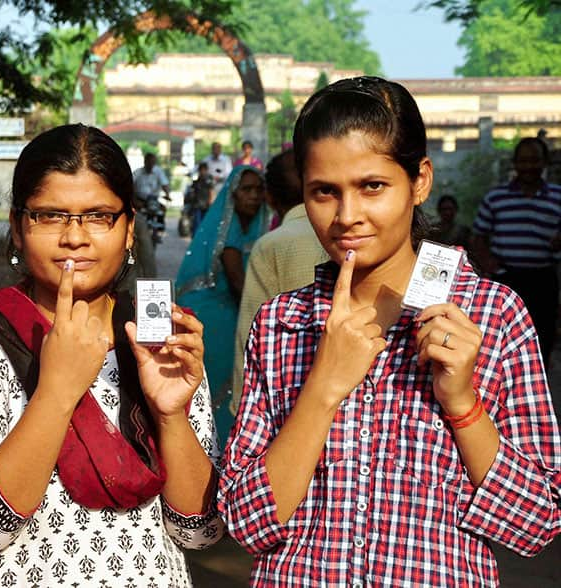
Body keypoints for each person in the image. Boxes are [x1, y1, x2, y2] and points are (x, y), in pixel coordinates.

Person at [220, 76, 561, 586]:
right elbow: (246, 526)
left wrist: (463, 404)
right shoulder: (282, 324)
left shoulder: (493, 317)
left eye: (372, 186)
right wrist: (322, 389)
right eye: (324, 192)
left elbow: (533, 525)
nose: (347, 216)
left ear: (419, 181)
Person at [0, 124, 224, 587]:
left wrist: (172, 414)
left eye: (98, 216)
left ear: (128, 229)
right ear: (18, 227)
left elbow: (199, 533)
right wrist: (56, 392)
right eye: (51, 215)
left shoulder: (158, 335)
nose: (75, 237)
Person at [229, 149, 328, 415]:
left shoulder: (271, 245)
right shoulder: (346, 234)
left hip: (285, 398)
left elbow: (250, 334)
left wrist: (241, 406)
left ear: (270, 198)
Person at [176, 165, 270, 434]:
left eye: (259, 190)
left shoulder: (246, 230)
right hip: (218, 316)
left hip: (226, 311)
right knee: (224, 384)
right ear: (233, 194)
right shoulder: (230, 236)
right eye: (247, 190)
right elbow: (239, 284)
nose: (254, 196)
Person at [471, 137, 561, 364]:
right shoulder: (496, 197)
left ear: (545, 162)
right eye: (523, 161)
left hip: (544, 279)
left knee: (543, 337)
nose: (529, 166)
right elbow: (477, 237)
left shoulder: (558, 197)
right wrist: (489, 265)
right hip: (507, 279)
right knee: (503, 336)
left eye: (535, 160)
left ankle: (538, 386)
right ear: (515, 163)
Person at [131, 152, 169, 276]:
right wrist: (135, 201)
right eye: (149, 162)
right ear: (145, 161)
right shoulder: (137, 173)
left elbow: (165, 185)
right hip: (141, 202)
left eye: (153, 162)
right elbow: (131, 186)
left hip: (153, 201)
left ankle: (160, 228)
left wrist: (168, 194)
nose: (151, 164)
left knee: (162, 210)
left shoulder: (158, 172)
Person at [186, 161, 215, 236]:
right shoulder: (197, 181)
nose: (202, 172)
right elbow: (192, 192)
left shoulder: (209, 180)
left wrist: (210, 202)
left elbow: (211, 191)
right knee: (197, 223)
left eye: (204, 170)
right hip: (197, 205)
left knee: (206, 224)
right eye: (201, 170)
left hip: (206, 205)